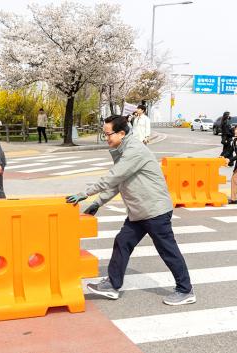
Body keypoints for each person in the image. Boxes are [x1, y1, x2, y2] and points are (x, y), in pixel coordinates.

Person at [65, 115, 195, 306]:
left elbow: (113, 177)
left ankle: (185, 290)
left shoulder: (134, 150)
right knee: (122, 242)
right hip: (139, 210)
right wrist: (98, 202)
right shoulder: (123, 150)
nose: (106, 138)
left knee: (167, 249)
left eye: (108, 134)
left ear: (121, 133)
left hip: (154, 209)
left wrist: (85, 193)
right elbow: (119, 182)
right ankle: (113, 285)